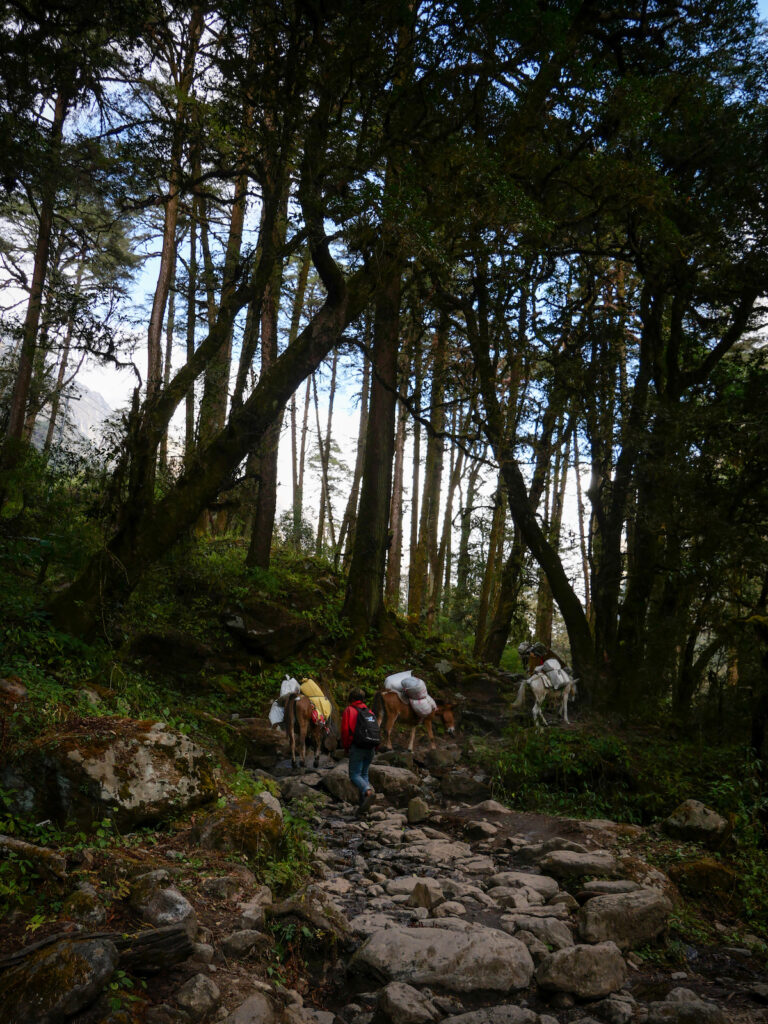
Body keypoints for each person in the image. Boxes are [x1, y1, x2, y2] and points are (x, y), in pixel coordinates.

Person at [340, 687, 379, 814]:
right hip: (371, 747)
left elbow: (346, 731)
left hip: (358, 746)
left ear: (351, 699)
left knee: (354, 775)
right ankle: (364, 805)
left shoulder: (349, 710)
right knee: (364, 774)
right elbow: (376, 731)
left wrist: (346, 747)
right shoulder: (370, 712)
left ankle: (368, 791)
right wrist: (375, 748)